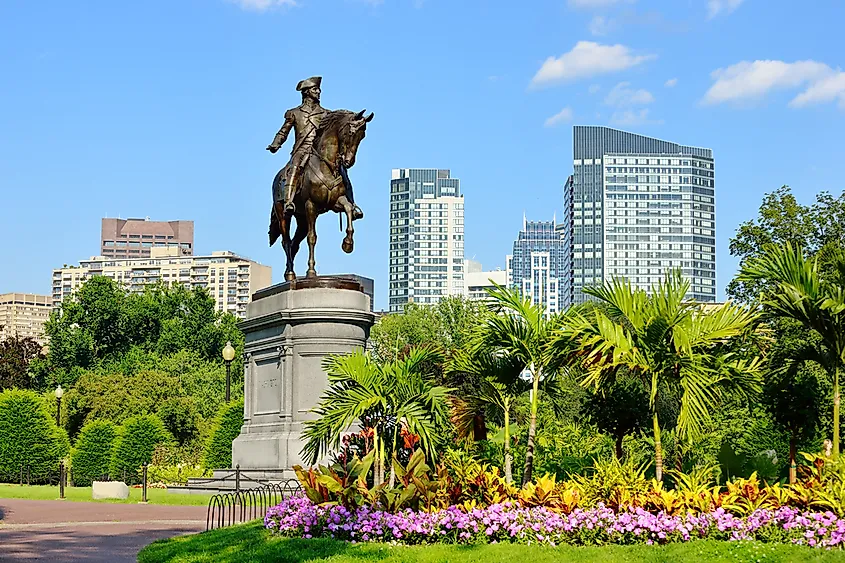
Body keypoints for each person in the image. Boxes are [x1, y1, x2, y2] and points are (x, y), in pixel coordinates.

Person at [267, 76, 362, 219]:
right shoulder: (294, 113)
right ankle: (288, 201)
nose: (318, 92)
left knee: (342, 171)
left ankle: (352, 204)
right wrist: (276, 143)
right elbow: (283, 132)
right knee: (295, 166)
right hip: (302, 149)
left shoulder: (326, 114)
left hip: (320, 150)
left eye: (318, 89)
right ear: (306, 92)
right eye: (315, 89)